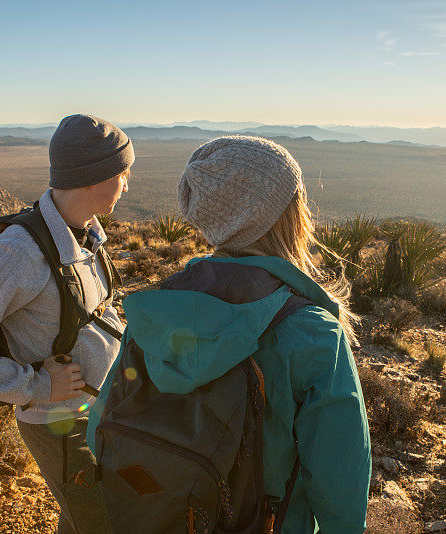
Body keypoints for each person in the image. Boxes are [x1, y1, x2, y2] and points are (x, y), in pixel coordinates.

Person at [88, 135, 371, 533]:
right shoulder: (310, 331)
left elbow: (97, 428)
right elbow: (340, 482)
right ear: (288, 214)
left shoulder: (157, 309)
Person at [0, 114, 134, 534]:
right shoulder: (18, 252)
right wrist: (36, 384)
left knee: (84, 519)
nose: (127, 185)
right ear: (93, 177)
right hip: (61, 422)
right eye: (123, 174)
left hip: (94, 411)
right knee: (104, 523)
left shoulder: (84, 234)